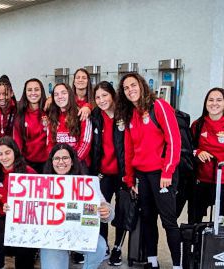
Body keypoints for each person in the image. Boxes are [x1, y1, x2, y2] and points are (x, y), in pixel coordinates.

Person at [115, 73, 181, 269]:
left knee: (169, 221)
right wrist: (129, 179)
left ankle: (178, 264)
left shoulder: (159, 106)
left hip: (162, 175)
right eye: (126, 88)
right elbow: (129, 150)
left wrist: (168, 171)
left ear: (142, 85)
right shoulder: (130, 114)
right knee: (147, 219)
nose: (130, 90)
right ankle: (152, 261)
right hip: (142, 176)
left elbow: (173, 140)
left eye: (133, 85)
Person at [39, 143, 114, 269]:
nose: (61, 162)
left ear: (72, 161)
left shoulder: (86, 183)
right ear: (51, 162)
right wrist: (12, 208)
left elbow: (106, 209)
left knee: (100, 246)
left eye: (65, 158)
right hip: (51, 237)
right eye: (56, 158)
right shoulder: (41, 184)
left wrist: (107, 211)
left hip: (78, 232)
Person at [0, 136, 37, 269]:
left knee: (24, 243)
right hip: (2, 216)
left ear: (15, 152)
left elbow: (39, 199)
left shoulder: (29, 172)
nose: (4, 157)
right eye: (0, 154)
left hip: (25, 218)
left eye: (7, 153)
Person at [90, 81, 126, 266]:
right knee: (101, 210)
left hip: (122, 173)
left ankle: (117, 249)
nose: (101, 100)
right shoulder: (95, 115)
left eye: (105, 95)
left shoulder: (125, 114)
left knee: (121, 211)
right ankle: (103, 245)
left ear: (112, 95)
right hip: (102, 172)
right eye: (97, 97)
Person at [190, 87, 224, 222]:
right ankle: (196, 243)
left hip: (222, 182)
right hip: (202, 181)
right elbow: (189, 148)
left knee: (220, 222)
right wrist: (198, 152)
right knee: (195, 219)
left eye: (219, 100)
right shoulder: (197, 125)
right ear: (205, 103)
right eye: (211, 100)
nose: (214, 103)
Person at [47, 83, 92, 166]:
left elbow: (86, 142)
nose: (60, 97)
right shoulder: (52, 116)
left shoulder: (81, 113)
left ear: (70, 95)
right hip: (59, 165)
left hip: (79, 164)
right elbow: (50, 143)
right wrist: (56, 160)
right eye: (56, 94)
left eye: (63, 93)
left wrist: (73, 162)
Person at [13, 78, 48, 173]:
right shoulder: (20, 115)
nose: (33, 93)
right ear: (25, 93)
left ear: (42, 92)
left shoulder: (49, 110)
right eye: (29, 90)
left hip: (48, 163)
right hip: (27, 162)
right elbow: (18, 142)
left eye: (36, 89)